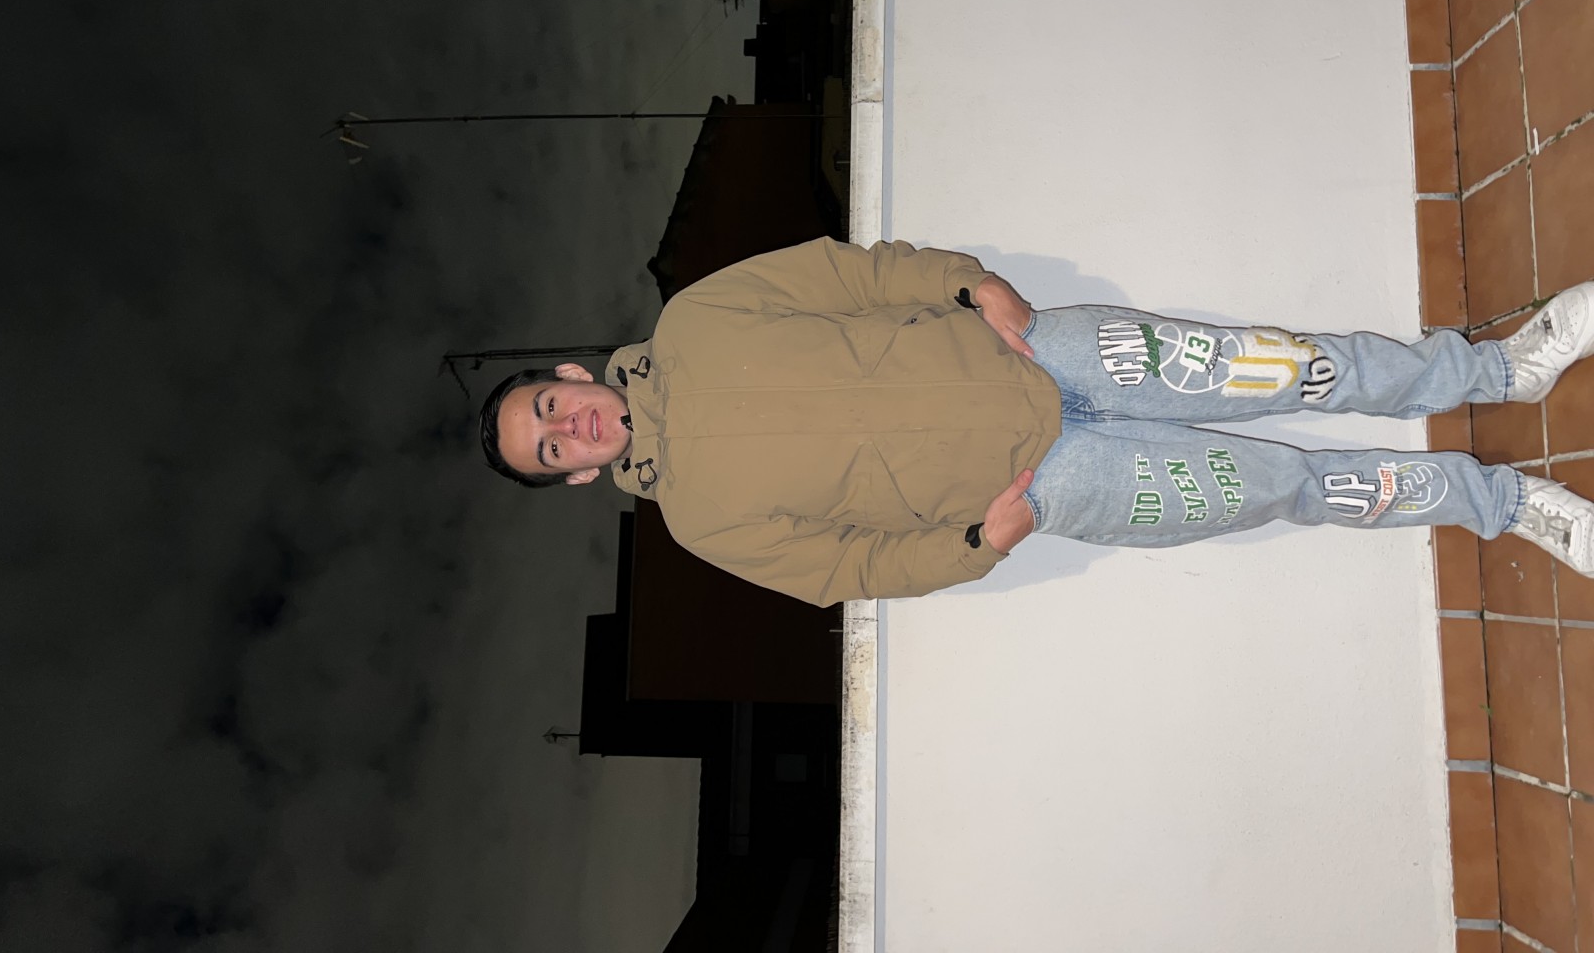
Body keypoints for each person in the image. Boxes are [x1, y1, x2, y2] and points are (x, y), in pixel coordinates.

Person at [479, 238, 1594, 607]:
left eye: (548, 407)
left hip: (1038, 349)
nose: (569, 429)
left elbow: (850, 276)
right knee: (1286, 486)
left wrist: (972, 284)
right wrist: (980, 544)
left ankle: (1500, 368)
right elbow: (850, 569)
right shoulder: (701, 526)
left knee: (1287, 369)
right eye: (551, 451)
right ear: (574, 477)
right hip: (1051, 485)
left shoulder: (698, 317)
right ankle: (1501, 503)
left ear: (570, 375)